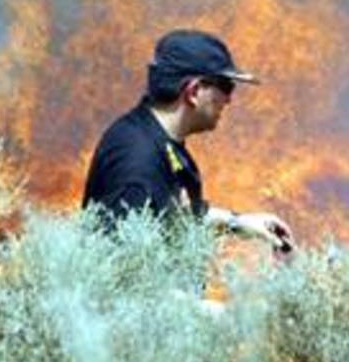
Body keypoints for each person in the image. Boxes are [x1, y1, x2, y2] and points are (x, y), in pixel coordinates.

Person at [82, 29, 295, 254]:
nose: (229, 99)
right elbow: (117, 268)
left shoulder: (160, 141)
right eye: (225, 86)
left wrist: (238, 223)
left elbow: (173, 212)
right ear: (193, 91)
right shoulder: (137, 162)